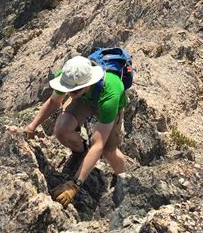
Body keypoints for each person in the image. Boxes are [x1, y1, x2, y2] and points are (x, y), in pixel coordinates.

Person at [25, 55, 128, 208]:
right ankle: (81, 152)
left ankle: (122, 179)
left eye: (74, 90)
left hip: (107, 104)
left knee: (108, 150)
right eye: (68, 89)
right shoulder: (68, 76)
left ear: (88, 82)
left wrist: (75, 184)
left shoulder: (110, 94)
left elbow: (98, 144)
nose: (69, 91)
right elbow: (54, 102)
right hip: (84, 99)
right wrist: (31, 127)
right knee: (61, 130)